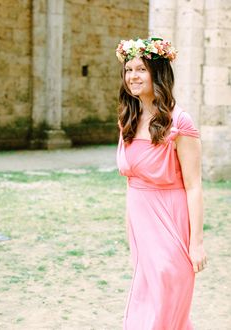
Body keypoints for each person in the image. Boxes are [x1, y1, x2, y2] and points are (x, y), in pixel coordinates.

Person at [115, 37, 207, 330]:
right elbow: (132, 181)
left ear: (158, 73)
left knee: (164, 305)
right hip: (141, 225)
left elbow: (194, 186)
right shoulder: (128, 118)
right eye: (128, 70)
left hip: (171, 220)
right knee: (146, 302)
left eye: (140, 69)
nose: (132, 76)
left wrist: (197, 244)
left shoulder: (180, 121)